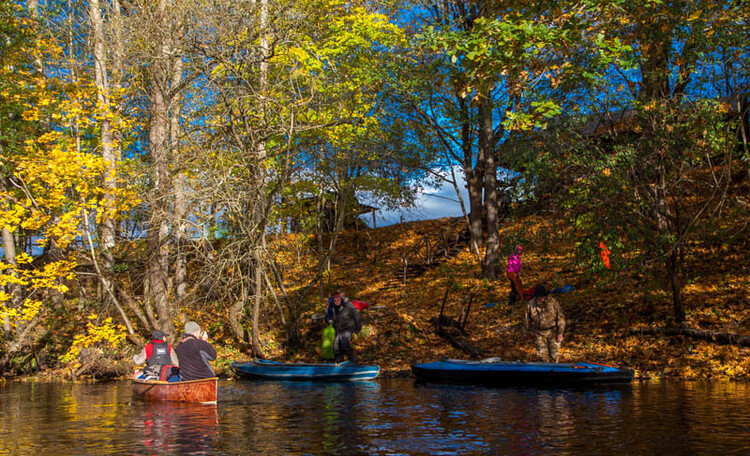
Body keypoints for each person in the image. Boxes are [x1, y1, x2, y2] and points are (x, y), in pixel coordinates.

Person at [525, 285, 566, 363]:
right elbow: (527, 319)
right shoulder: (531, 304)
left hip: (553, 331)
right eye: (540, 297)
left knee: (554, 356)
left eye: (544, 296)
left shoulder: (553, 302)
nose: (542, 298)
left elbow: (560, 318)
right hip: (539, 333)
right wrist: (526, 332)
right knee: (543, 357)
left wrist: (560, 333)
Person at [327, 291, 362, 363]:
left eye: (338, 299)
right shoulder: (331, 306)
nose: (337, 302)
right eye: (335, 300)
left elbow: (356, 316)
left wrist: (358, 328)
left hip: (348, 327)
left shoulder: (348, 305)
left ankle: (353, 360)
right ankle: (339, 361)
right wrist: (329, 320)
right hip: (338, 328)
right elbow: (327, 316)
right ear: (332, 300)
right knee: (336, 345)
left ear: (340, 298)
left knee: (344, 343)